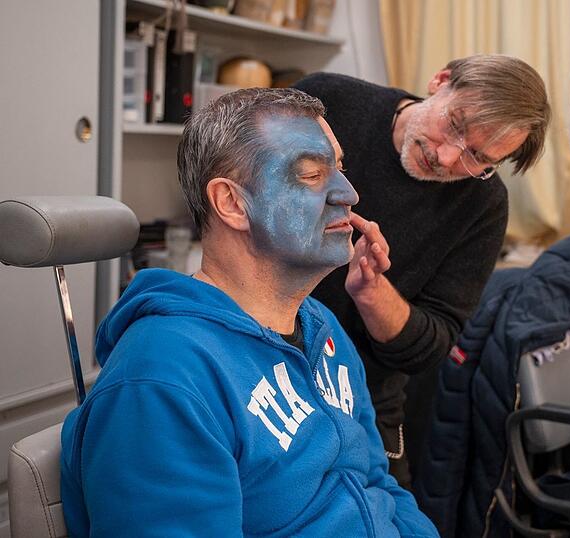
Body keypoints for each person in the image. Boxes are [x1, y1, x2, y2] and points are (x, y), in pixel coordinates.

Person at [59, 88, 438, 537]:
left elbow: (379, 484)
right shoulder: (162, 379)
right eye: (312, 174)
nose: (349, 193)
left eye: (340, 168)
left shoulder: (323, 329)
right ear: (232, 203)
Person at [293, 54, 551, 487]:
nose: (446, 158)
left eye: (478, 157)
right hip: (257, 360)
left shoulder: (483, 206)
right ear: (440, 80)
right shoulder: (328, 101)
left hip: (361, 396)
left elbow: (428, 349)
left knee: (390, 513)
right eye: (455, 125)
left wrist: (372, 291)